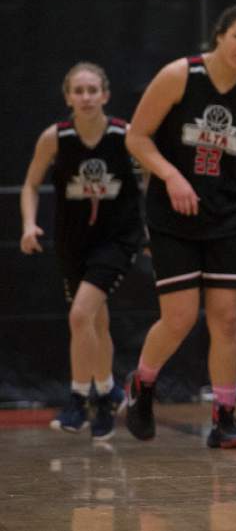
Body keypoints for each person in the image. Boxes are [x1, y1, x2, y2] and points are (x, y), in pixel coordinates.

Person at [123, 2, 236, 449]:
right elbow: (136, 137)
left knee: (227, 320)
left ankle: (225, 417)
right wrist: (171, 175)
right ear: (220, 34)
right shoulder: (180, 75)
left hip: (228, 215)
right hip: (173, 214)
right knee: (178, 318)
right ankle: (142, 383)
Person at [20, 62, 143, 441]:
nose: (86, 97)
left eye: (93, 90)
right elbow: (30, 185)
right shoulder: (55, 138)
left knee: (79, 316)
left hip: (116, 240)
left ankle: (80, 396)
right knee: (94, 323)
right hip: (73, 243)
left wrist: (154, 229)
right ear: (68, 97)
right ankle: (107, 395)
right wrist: (29, 224)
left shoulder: (126, 135)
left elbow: (153, 179)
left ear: (105, 95)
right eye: (79, 91)